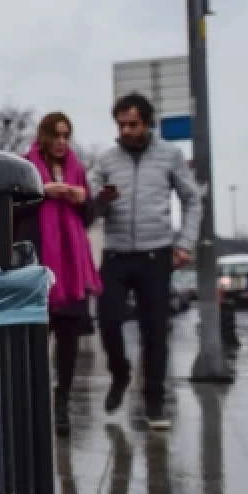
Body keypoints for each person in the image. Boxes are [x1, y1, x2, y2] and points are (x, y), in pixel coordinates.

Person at [89, 93, 201, 430]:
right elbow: (90, 205)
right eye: (121, 124)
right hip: (117, 254)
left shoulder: (170, 156)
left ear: (148, 123)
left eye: (132, 124)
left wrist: (184, 245)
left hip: (157, 254)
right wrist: (101, 199)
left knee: (155, 332)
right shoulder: (107, 160)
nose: (126, 130)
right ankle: (120, 372)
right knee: (108, 320)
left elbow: (192, 200)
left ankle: (155, 402)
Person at [20, 112, 102, 437]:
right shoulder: (25, 167)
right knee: (35, 342)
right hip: (39, 267)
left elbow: (90, 217)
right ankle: (34, 404)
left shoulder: (78, 170)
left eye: (66, 135)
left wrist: (83, 200)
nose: (61, 141)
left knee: (68, 342)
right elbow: (11, 210)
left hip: (70, 271)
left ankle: (62, 402)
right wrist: (43, 193)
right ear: (44, 136)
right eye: (55, 135)